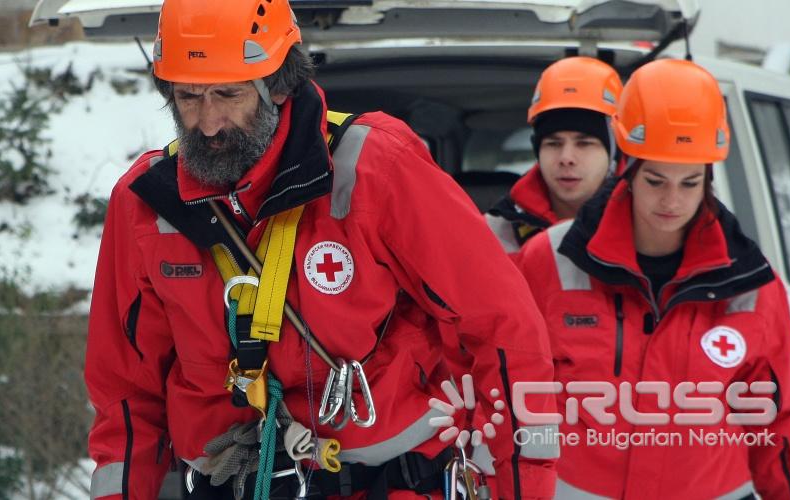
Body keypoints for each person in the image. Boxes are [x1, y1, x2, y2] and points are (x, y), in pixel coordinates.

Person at [84, 0, 558, 499]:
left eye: (228, 94)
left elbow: (503, 329)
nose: (208, 123)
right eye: (188, 97)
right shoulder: (145, 204)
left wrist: (524, 484)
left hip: (388, 483)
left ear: (279, 85)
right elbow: (125, 395)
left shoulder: (376, 168)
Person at [514, 59, 790, 499]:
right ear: (628, 166)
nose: (672, 201)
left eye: (690, 183)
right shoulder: (550, 259)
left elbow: (775, 418)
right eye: (656, 180)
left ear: (709, 178)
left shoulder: (753, 284)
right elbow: (514, 387)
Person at [486, 57, 623, 251]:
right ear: (537, 151)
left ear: (613, 153)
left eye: (584, 143)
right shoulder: (495, 233)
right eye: (553, 143)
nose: (566, 158)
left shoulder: (650, 225)